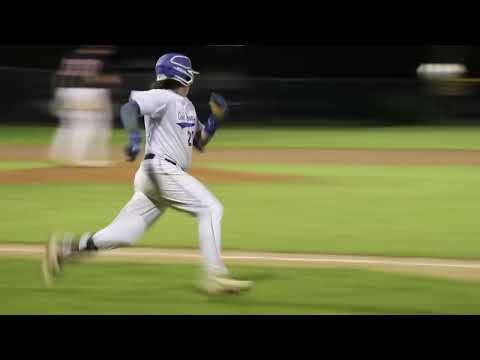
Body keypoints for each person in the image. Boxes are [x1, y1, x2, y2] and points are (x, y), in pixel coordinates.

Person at [43, 53, 253, 295]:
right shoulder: (162, 96)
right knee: (210, 208)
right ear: (181, 75)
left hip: (158, 177)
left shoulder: (186, 106)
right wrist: (133, 136)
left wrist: (215, 120)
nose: (190, 80)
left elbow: (199, 142)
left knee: (124, 234)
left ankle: (64, 249)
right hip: (161, 170)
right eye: (189, 75)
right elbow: (129, 109)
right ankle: (214, 275)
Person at [49, 45, 121, 167]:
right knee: (89, 124)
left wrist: (57, 97)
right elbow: (104, 79)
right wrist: (114, 81)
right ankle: (80, 157)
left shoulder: (71, 54)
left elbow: (57, 76)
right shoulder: (100, 58)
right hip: (88, 92)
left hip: (64, 91)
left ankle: (58, 153)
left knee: (69, 123)